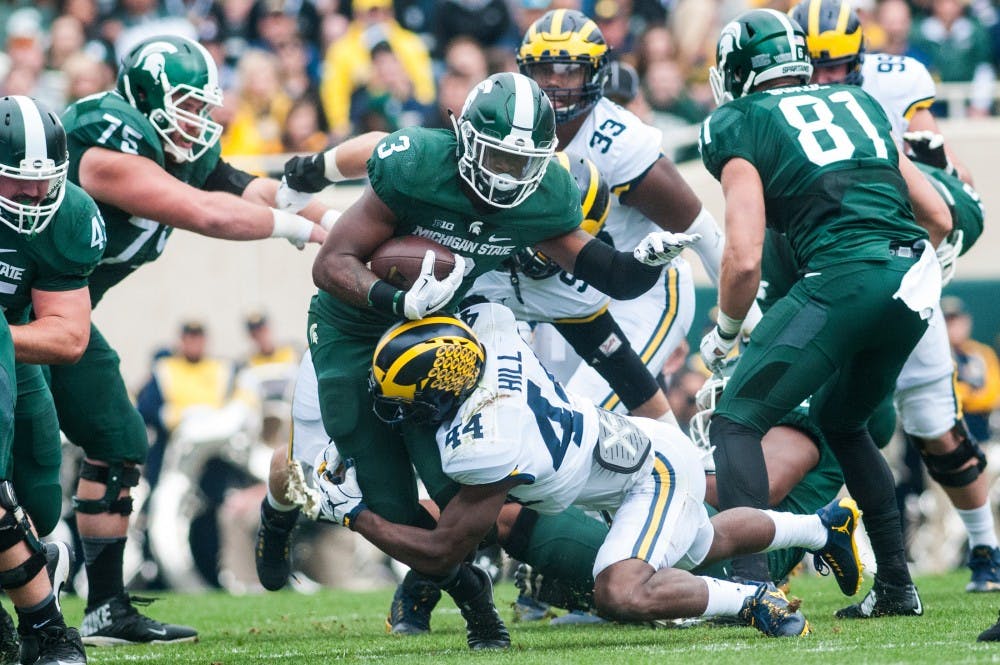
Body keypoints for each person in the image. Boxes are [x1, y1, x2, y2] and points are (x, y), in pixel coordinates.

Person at [274, 70, 697, 648]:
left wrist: (645, 260)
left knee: (461, 485)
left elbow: (607, 276)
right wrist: (395, 297)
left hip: (439, 337)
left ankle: (473, 599)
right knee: (387, 495)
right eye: (497, 159)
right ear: (464, 138)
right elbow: (332, 263)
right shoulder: (417, 163)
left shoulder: (544, 197)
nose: (508, 176)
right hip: (355, 325)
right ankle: (472, 594)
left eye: (523, 164)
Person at [312, 303, 865, 636]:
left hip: (651, 474)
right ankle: (822, 527)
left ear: (444, 389)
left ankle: (752, 601)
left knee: (620, 592)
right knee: (700, 540)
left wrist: (355, 514)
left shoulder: (485, 443)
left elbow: (445, 550)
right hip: (633, 456)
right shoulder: (496, 336)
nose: (404, 415)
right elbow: (487, 306)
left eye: (411, 400)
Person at [57, 33, 327, 647]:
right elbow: (205, 213)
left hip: (67, 316)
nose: (198, 120)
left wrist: (334, 220)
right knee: (28, 475)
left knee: (119, 442)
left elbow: (251, 190)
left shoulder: (179, 152)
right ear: (145, 97)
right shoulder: (104, 138)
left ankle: (104, 610)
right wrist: (299, 232)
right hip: (15, 309)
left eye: (205, 106)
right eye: (185, 103)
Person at [698, 7, 950, 618]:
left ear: (737, 71)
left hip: (843, 275)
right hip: (913, 279)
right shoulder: (861, 105)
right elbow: (938, 217)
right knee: (844, 422)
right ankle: (895, 583)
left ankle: (749, 586)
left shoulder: (736, 120)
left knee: (735, 420)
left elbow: (744, 256)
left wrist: (727, 329)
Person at [792, 0, 998, 596]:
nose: (828, 80)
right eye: (816, 67)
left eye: (839, 67)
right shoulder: (771, 97)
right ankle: (782, 550)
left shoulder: (895, 82)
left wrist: (950, 225)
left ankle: (985, 545)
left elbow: (949, 173)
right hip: (819, 267)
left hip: (897, 262)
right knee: (807, 418)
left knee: (933, 421)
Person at [515, 9, 749, 420]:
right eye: (542, 70)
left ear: (593, 75)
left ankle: (680, 478)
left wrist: (745, 324)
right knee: (527, 416)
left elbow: (702, 231)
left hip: (638, 295)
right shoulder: (510, 124)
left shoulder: (618, 143)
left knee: (579, 421)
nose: (553, 83)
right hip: (555, 291)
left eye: (567, 71)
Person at [0, 94, 101, 665]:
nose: (35, 196)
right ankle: (43, 626)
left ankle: (32, 589)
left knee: (35, 500)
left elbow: (67, 336)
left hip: (14, 348)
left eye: (45, 181)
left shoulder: (66, 214)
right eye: (17, 182)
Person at [944, 297, 1000, 444]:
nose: (954, 326)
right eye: (948, 321)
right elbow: (944, 396)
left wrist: (966, 395)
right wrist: (968, 393)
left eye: (957, 320)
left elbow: (994, 393)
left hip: (983, 430)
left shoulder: (982, 352)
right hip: (948, 433)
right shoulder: (935, 356)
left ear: (966, 321)